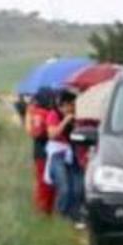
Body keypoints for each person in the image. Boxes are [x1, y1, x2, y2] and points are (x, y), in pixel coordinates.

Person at [45, 89, 85, 222]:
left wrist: (75, 123)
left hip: (74, 154)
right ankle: (61, 217)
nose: (74, 108)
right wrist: (65, 121)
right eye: (72, 105)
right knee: (64, 188)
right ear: (65, 104)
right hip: (58, 154)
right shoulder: (53, 114)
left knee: (78, 188)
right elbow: (52, 135)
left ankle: (74, 216)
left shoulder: (76, 116)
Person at [25, 90, 57, 214]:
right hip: (46, 152)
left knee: (42, 182)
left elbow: (30, 132)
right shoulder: (45, 113)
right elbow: (40, 133)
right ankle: (45, 210)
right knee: (47, 182)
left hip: (39, 152)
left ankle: (43, 210)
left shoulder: (34, 113)